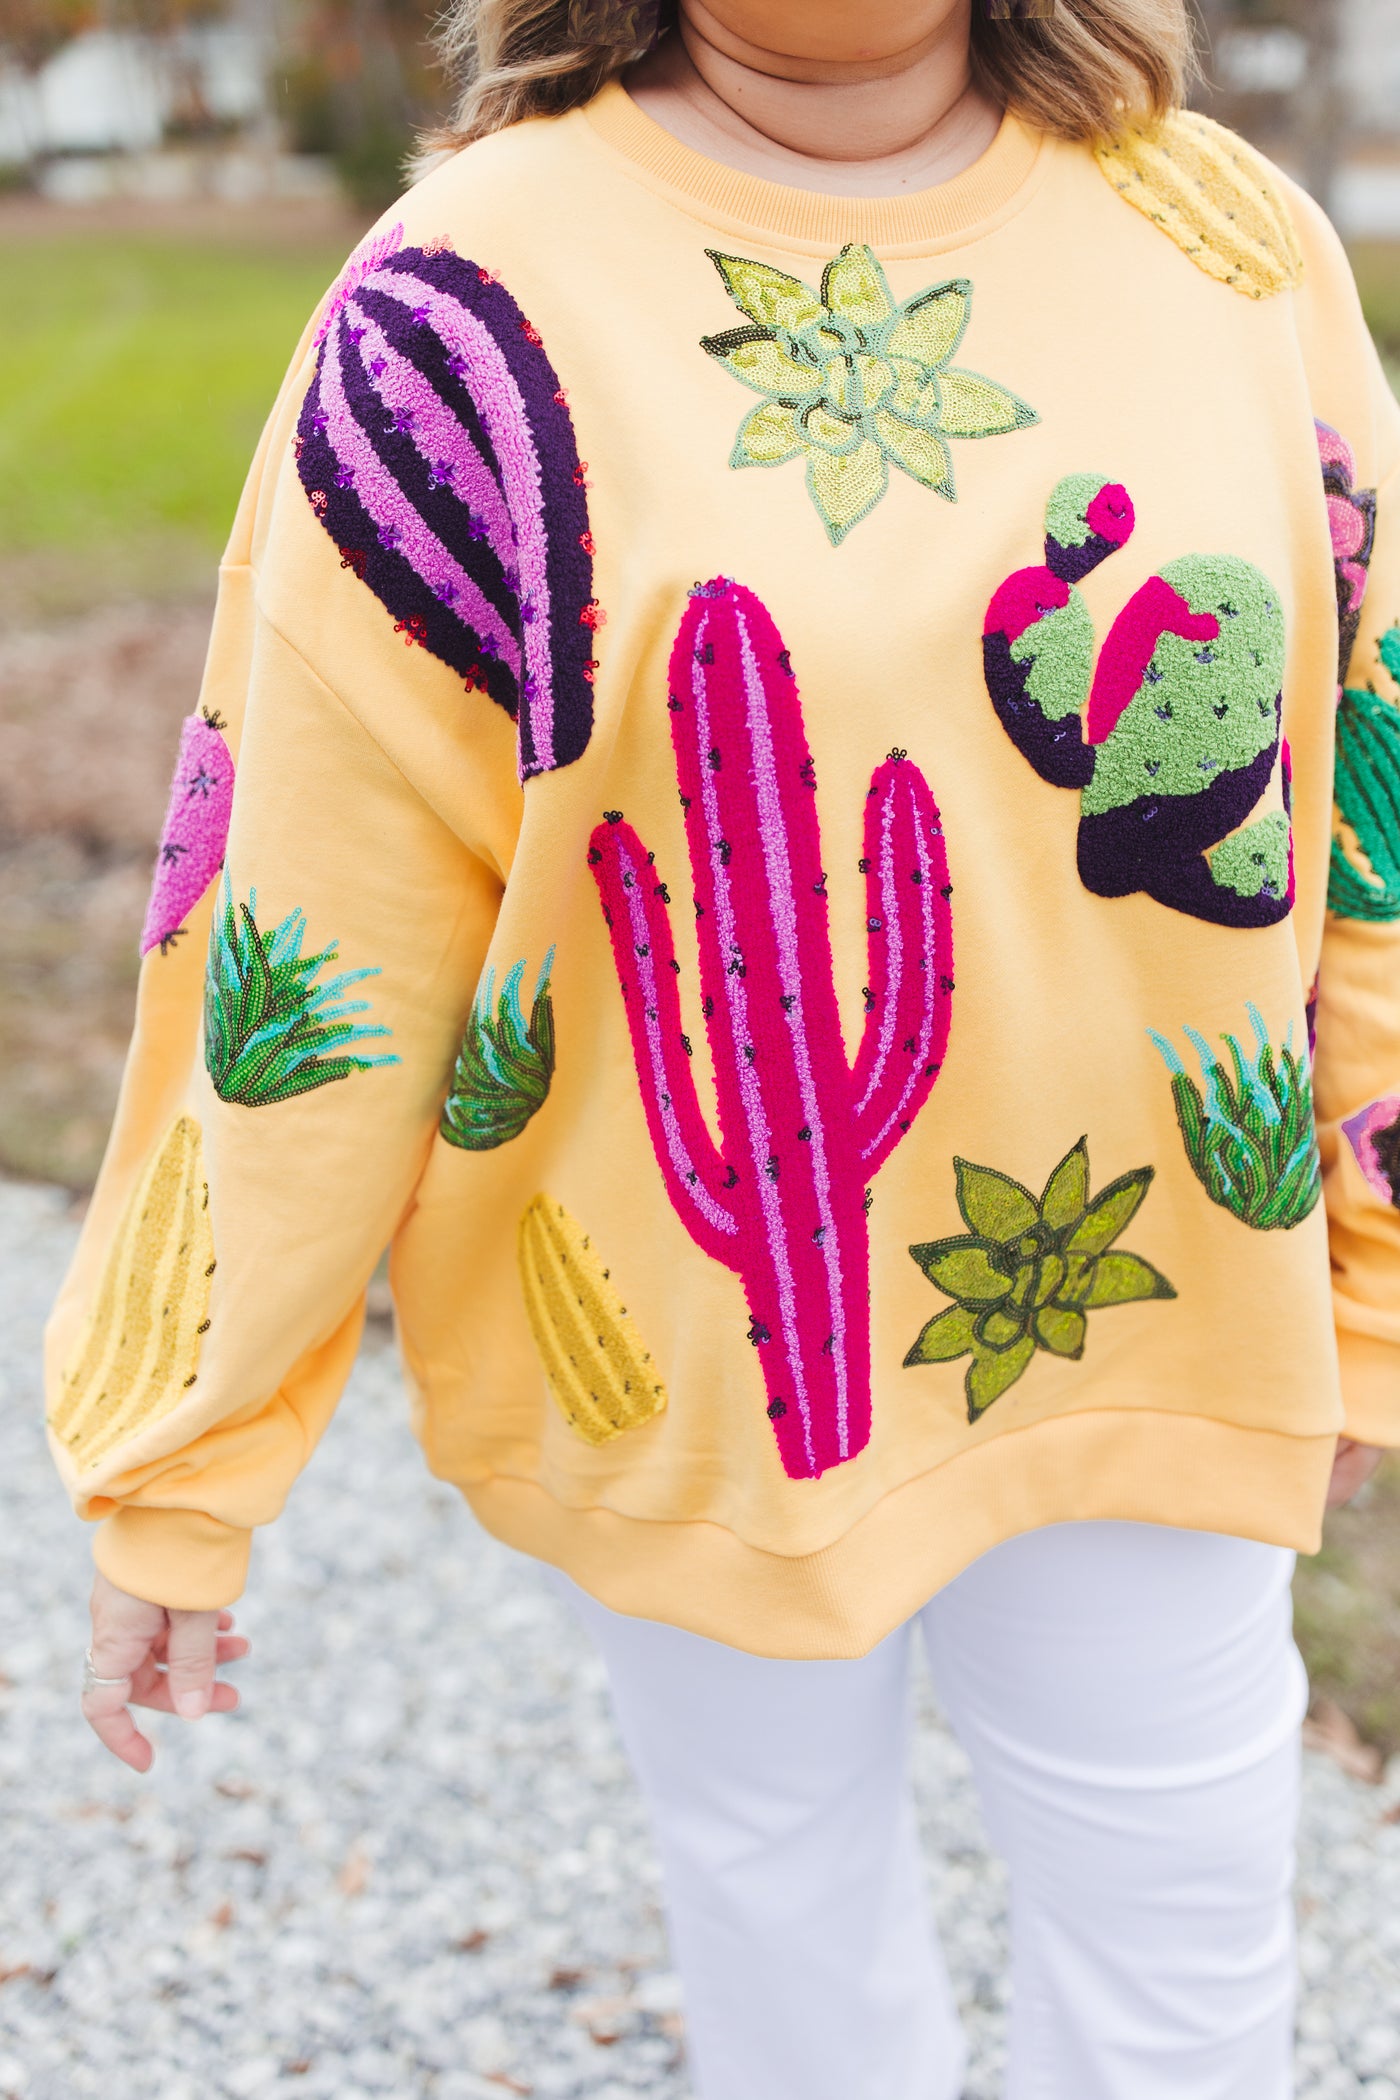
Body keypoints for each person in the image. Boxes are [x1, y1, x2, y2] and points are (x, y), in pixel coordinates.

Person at [50, 0, 1400, 2092]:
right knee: (781, 1920)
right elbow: (313, 915)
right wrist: (187, 1456)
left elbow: (1369, 774)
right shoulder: (458, 299)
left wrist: (1373, 1267)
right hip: (691, 1341)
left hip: (1162, 1307)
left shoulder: (1217, 236)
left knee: (1183, 1946)